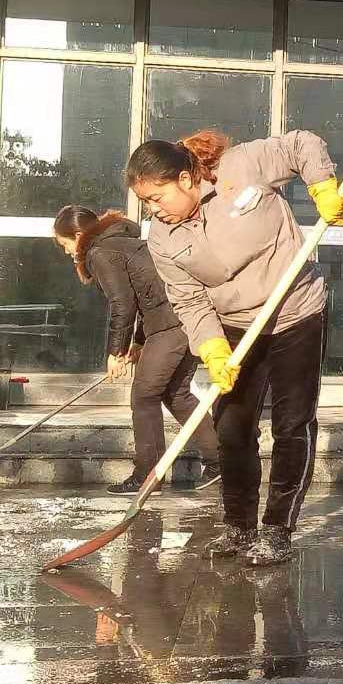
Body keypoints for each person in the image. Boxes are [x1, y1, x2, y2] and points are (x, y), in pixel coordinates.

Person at [126, 129, 343, 567]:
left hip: (296, 313)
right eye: (145, 202)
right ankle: (238, 525)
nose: (153, 209)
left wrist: (322, 185)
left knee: (292, 423)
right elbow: (188, 298)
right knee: (232, 427)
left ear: (186, 179)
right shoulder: (162, 238)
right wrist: (211, 348)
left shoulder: (242, 165)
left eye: (156, 197)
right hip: (232, 326)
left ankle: (278, 529)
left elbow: (301, 144)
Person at [53, 205, 221, 494]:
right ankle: (221, 461)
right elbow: (146, 293)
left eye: (64, 244)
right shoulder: (122, 242)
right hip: (185, 319)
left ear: (78, 236)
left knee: (143, 396)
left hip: (171, 324)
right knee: (176, 394)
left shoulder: (100, 252)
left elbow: (123, 303)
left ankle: (147, 475)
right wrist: (140, 343)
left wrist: (116, 352)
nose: (67, 252)